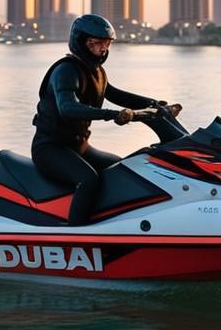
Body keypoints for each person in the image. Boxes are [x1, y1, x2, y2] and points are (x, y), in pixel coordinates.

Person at [31, 14, 180, 225]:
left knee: (122, 168)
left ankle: (113, 221)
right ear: (82, 42)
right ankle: (75, 233)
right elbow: (68, 107)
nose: (103, 49)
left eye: (106, 43)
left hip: (79, 147)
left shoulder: (97, 72)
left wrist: (156, 104)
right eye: (97, 43)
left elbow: (117, 95)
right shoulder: (65, 70)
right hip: (50, 148)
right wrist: (110, 115)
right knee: (88, 179)